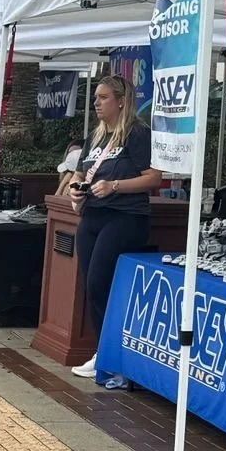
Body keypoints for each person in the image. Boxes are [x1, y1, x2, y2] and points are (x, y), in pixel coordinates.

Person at [67, 74, 161, 390]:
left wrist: (115, 186)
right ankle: (103, 351)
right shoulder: (96, 136)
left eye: (103, 97)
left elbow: (153, 178)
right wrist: (76, 189)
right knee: (91, 287)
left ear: (121, 101)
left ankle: (113, 357)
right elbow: (80, 171)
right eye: (95, 97)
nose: (96, 102)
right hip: (92, 215)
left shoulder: (136, 134)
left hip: (124, 216)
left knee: (100, 282)